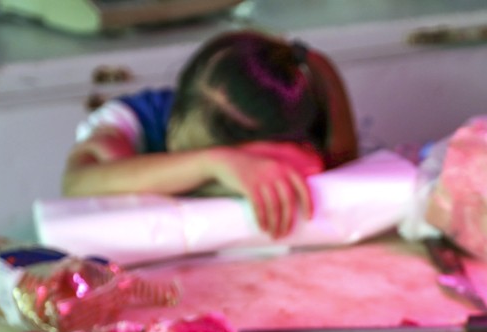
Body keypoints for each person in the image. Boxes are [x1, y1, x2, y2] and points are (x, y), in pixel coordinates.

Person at [62, 30, 358, 239]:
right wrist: (213, 165)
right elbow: (77, 183)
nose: (176, 145)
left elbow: (317, 163)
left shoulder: (297, 137)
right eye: (179, 139)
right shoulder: (131, 122)